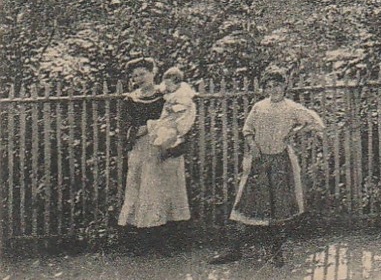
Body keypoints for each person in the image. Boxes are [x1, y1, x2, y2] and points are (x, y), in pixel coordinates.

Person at [211, 68, 326, 267]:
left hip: (280, 160)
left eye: (277, 85)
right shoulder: (259, 107)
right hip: (259, 160)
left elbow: (317, 123)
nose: (273, 89)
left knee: (278, 207)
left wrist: (296, 131)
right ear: (265, 88)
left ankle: (276, 251)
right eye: (269, 86)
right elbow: (247, 129)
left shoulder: (291, 108)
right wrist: (253, 145)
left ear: (284, 87)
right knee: (246, 203)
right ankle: (234, 249)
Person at [118, 58, 193, 250]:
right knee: (144, 191)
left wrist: (172, 138)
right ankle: (144, 240)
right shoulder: (130, 99)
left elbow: (181, 117)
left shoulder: (166, 96)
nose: (139, 78)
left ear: (153, 73)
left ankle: (168, 240)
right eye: (134, 76)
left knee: (167, 191)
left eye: (143, 74)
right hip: (142, 149)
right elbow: (126, 129)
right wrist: (150, 126)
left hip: (165, 147)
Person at [149, 66, 198, 154]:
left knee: (178, 127)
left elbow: (186, 105)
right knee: (164, 124)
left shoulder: (182, 93)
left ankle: (178, 143)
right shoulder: (169, 89)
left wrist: (173, 108)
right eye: (166, 84)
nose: (167, 87)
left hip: (182, 114)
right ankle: (163, 141)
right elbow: (162, 87)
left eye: (169, 85)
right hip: (172, 113)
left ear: (177, 84)